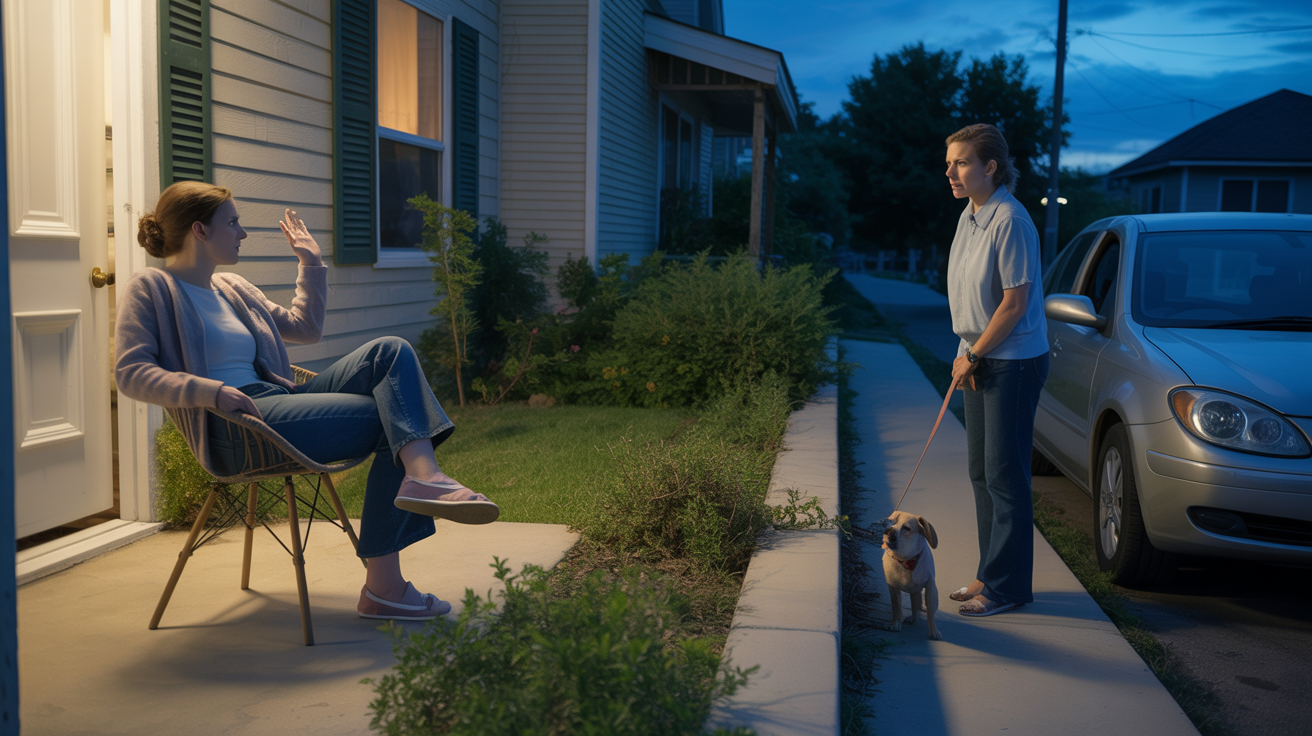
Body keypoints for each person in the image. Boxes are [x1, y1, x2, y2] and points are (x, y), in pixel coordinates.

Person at [115, 180, 498, 621]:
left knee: (390, 351)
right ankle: (385, 585)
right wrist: (211, 391)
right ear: (199, 231)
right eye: (233, 223)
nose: (242, 234)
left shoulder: (233, 287)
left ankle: (423, 476)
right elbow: (130, 372)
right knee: (394, 418)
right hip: (237, 426)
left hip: (281, 401)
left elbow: (304, 328)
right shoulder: (152, 288)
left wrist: (311, 263)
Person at [942, 124, 1049, 617]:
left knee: (1005, 477)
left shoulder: (1011, 220)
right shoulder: (971, 215)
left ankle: (1006, 588)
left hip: (1012, 361)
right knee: (982, 473)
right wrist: (967, 350)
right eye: (950, 162)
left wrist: (975, 355)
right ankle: (990, 573)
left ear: (990, 166)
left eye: (961, 162)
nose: (950, 171)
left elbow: (1013, 304)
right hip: (981, 354)